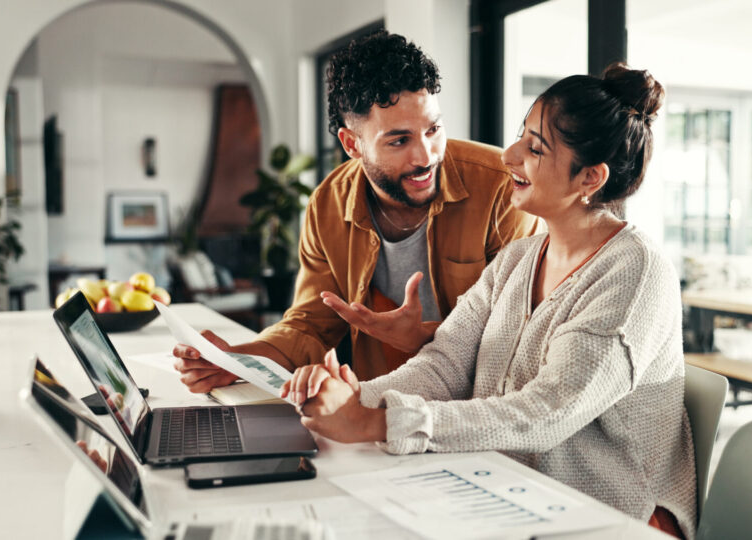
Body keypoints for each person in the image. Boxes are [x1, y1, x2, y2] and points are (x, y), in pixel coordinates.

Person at [281, 65, 697, 538]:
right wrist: (350, 400)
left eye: (535, 148)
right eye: (521, 135)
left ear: (589, 178)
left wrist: (379, 423)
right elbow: (445, 364)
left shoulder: (634, 273)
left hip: (614, 516)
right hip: (512, 490)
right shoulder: (518, 259)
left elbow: (546, 412)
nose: (509, 155)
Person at [172, 31, 536, 391]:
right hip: (379, 408)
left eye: (433, 129)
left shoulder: (501, 187)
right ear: (352, 144)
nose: (426, 156)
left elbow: (514, 335)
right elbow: (310, 325)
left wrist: (425, 338)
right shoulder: (328, 205)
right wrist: (237, 359)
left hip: (477, 409)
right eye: (399, 140)